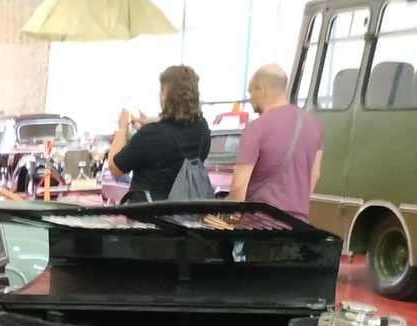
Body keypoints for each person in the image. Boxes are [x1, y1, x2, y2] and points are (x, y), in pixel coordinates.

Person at [230, 63, 323, 220]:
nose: (250, 98)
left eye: (251, 91)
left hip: (260, 224)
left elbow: (239, 185)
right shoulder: (314, 125)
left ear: (262, 89)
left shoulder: (256, 128)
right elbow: (314, 174)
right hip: (298, 224)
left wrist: (233, 215)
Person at [105, 65, 210, 204]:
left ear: (166, 95)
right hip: (187, 211)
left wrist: (121, 129)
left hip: (149, 213)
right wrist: (150, 123)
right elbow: (176, 128)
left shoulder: (151, 135)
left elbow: (115, 168)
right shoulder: (202, 129)